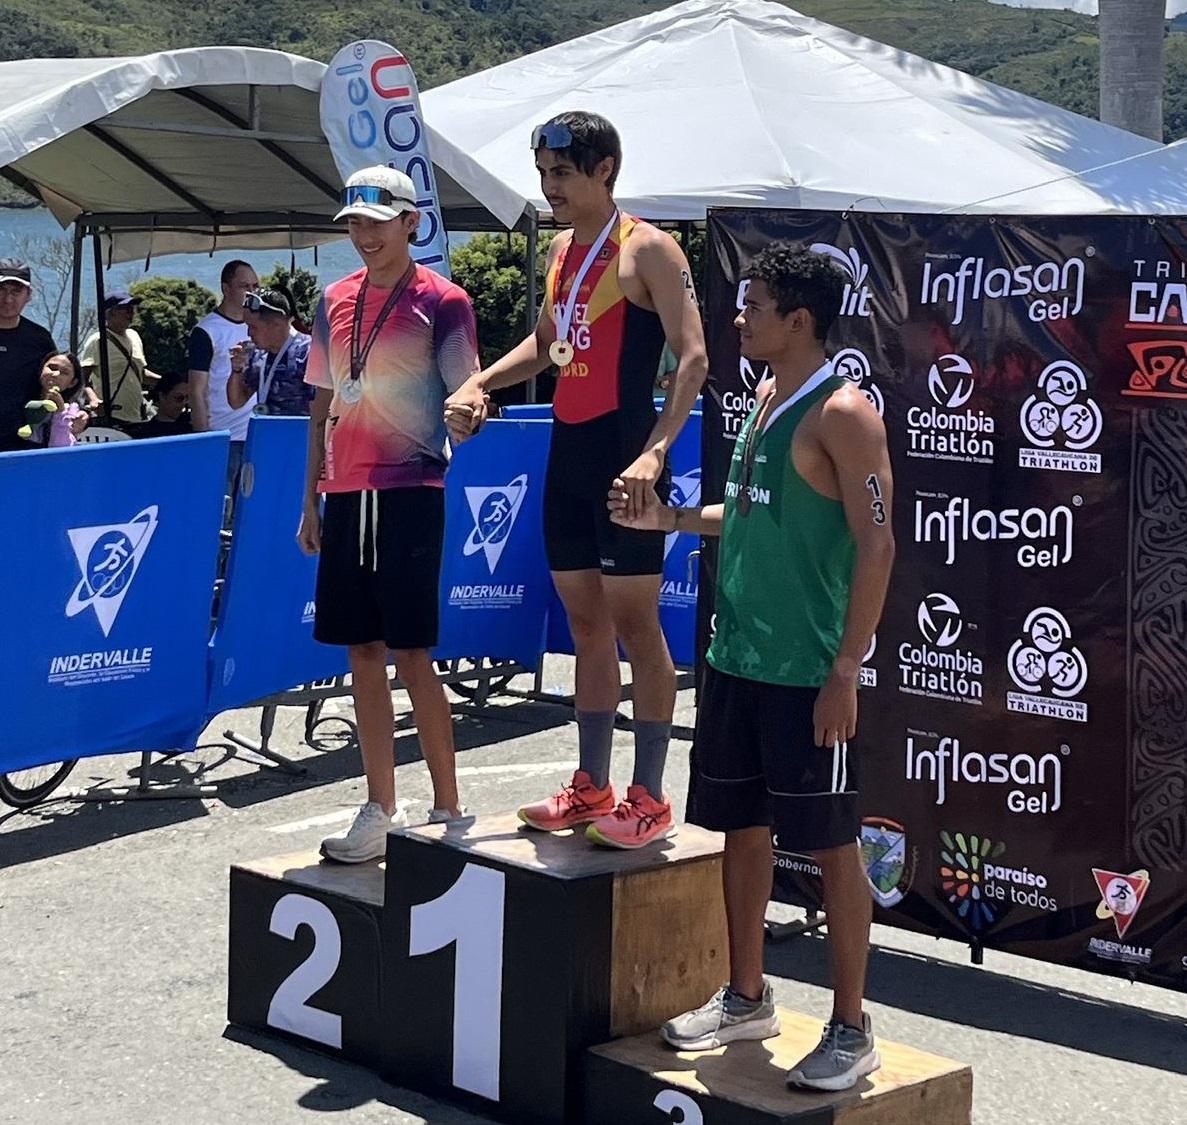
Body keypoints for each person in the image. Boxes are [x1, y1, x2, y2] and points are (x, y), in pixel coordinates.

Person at [610, 244, 895, 1091]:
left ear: (798, 320)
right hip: (735, 656)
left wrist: (846, 667)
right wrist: (661, 517)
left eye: (753, 307)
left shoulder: (844, 413)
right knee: (741, 827)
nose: (739, 320)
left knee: (833, 843)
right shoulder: (764, 396)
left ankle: (852, 1027)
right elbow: (740, 516)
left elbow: (877, 543)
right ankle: (746, 993)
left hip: (806, 666)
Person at [444, 111, 708, 850]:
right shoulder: (561, 250)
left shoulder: (649, 247)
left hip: (626, 451)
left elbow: (692, 358)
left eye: (562, 173)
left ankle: (650, 795)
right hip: (569, 452)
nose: (549, 187)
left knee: (635, 626)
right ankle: (591, 786)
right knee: (585, 625)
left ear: (605, 170)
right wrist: (480, 385)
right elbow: (547, 342)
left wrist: (657, 452)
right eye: (543, 175)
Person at [298, 166, 477, 863]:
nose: (364, 235)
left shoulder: (445, 300)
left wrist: (470, 412)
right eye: (354, 223)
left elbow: (467, 392)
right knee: (361, 654)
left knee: (411, 652)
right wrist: (308, 500)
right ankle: (378, 805)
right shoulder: (332, 299)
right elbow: (320, 406)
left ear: (411, 222)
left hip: (409, 489)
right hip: (344, 494)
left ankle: (449, 805)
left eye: (377, 221)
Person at [188, 259, 258, 493]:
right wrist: (203, 439)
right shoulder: (206, 331)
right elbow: (196, 389)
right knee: (222, 509)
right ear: (227, 289)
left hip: (257, 433)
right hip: (223, 436)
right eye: (244, 286)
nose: (251, 292)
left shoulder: (260, 326)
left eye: (255, 286)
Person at [227, 285, 313, 416]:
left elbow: (320, 409)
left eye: (253, 327)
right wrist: (236, 370)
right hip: (266, 432)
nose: (249, 333)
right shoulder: (257, 354)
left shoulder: (308, 352)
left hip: (299, 434)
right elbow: (236, 401)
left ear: (276, 325)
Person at [0, 258, 57, 453]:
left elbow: (61, 379)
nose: (7, 299)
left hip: (23, 443)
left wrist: (77, 410)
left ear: (29, 295)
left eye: (15, 291)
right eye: (2, 290)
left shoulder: (39, 339)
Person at [79, 290, 159, 423]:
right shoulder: (98, 341)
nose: (131, 312)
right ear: (111, 312)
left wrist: (167, 382)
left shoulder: (134, 336)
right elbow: (81, 379)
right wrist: (93, 398)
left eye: (131, 308)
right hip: (112, 416)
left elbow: (140, 373)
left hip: (138, 416)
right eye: (125, 308)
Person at [20, 351, 88, 448]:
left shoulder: (72, 410)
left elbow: (61, 447)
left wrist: (60, 413)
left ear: (72, 383)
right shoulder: (21, 398)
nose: (55, 374)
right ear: (41, 370)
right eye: (52, 368)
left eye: (65, 373)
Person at [130, 371, 192, 439]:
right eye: (178, 398)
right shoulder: (147, 433)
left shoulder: (193, 421)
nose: (184, 403)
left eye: (188, 397)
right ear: (162, 396)